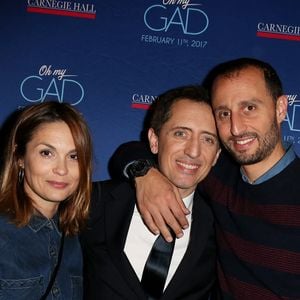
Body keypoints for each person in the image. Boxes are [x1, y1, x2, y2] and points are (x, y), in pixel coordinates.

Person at [121, 58, 300, 299]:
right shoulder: (215, 172)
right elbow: (133, 150)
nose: (236, 128)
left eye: (249, 108)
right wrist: (145, 174)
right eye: (224, 113)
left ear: (280, 108)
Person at [80, 85, 221, 299]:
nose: (193, 151)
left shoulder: (222, 227)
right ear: (154, 141)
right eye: (181, 133)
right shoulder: (95, 202)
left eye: (208, 139)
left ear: (217, 155)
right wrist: (142, 171)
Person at [0, 101, 93, 299]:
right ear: (20, 157)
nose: (62, 169)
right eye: (47, 153)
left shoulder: (73, 235)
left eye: (74, 156)